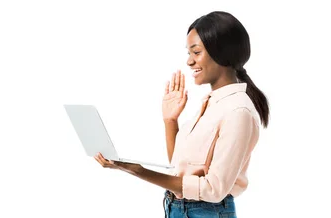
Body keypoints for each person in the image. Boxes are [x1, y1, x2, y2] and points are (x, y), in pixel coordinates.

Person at [94, 11, 269, 217]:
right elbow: (179, 167)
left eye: (196, 52)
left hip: (206, 212)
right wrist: (170, 120)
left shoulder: (238, 111)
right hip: (179, 208)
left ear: (222, 52)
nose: (189, 62)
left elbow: (213, 190)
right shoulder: (212, 104)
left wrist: (138, 171)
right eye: (188, 53)